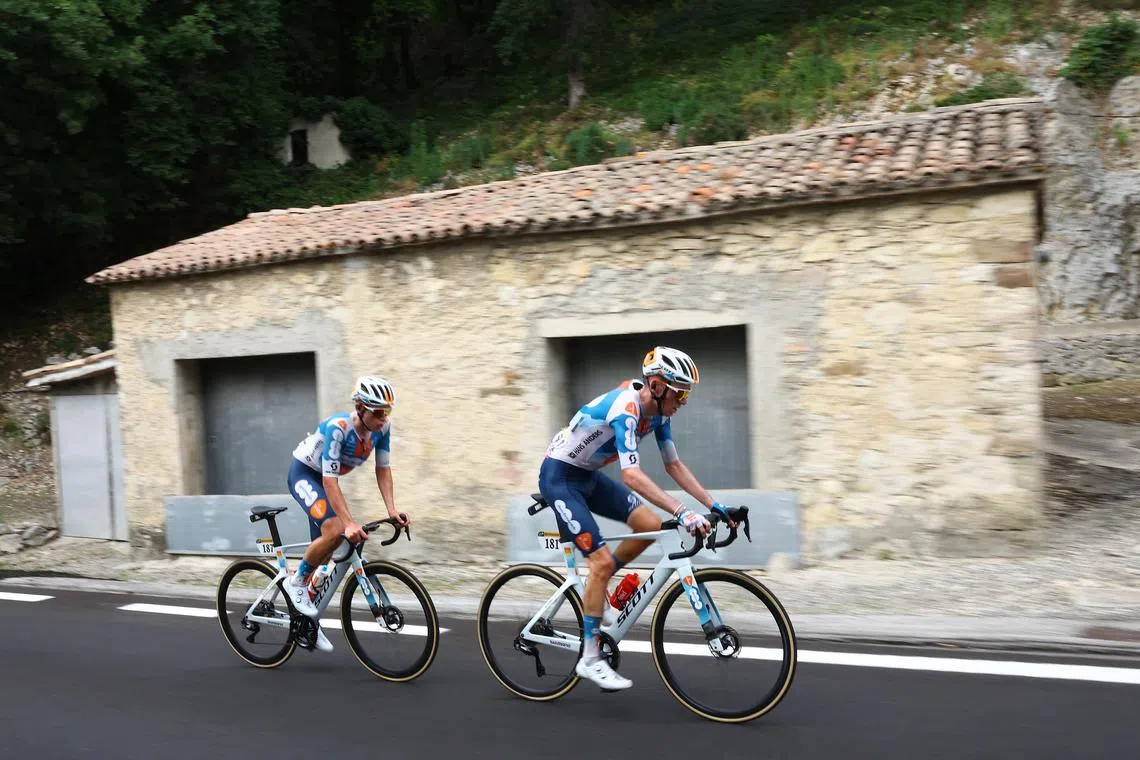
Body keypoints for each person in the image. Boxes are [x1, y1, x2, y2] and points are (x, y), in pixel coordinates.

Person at [539, 346, 733, 690]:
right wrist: (682, 511)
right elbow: (631, 475)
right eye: (680, 393)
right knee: (599, 563)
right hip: (560, 477)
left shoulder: (659, 414)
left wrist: (713, 505)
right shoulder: (627, 410)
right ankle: (590, 659)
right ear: (656, 386)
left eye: (686, 394)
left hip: (587, 476)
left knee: (649, 526)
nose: (684, 402)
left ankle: (598, 588)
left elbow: (673, 465)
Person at [283, 375, 409, 651]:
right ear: (360, 408)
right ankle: (297, 582)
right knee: (337, 530)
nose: (384, 418)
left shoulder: (382, 429)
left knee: (327, 551)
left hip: (324, 481)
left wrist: (392, 509)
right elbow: (329, 482)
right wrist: (348, 522)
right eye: (378, 412)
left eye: (387, 412)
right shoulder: (338, 428)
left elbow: (383, 469)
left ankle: (307, 623)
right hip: (305, 474)